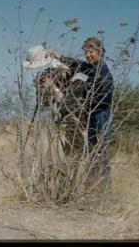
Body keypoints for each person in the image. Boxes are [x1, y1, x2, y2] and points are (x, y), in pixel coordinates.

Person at [46, 37, 114, 181]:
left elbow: (103, 99)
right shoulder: (91, 68)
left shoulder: (103, 72)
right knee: (93, 153)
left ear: (100, 51)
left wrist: (82, 105)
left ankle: (103, 191)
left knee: (100, 153)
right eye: (86, 52)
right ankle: (93, 188)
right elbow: (77, 64)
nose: (88, 55)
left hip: (101, 115)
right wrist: (57, 55)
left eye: (91, 52)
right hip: (92, 115)